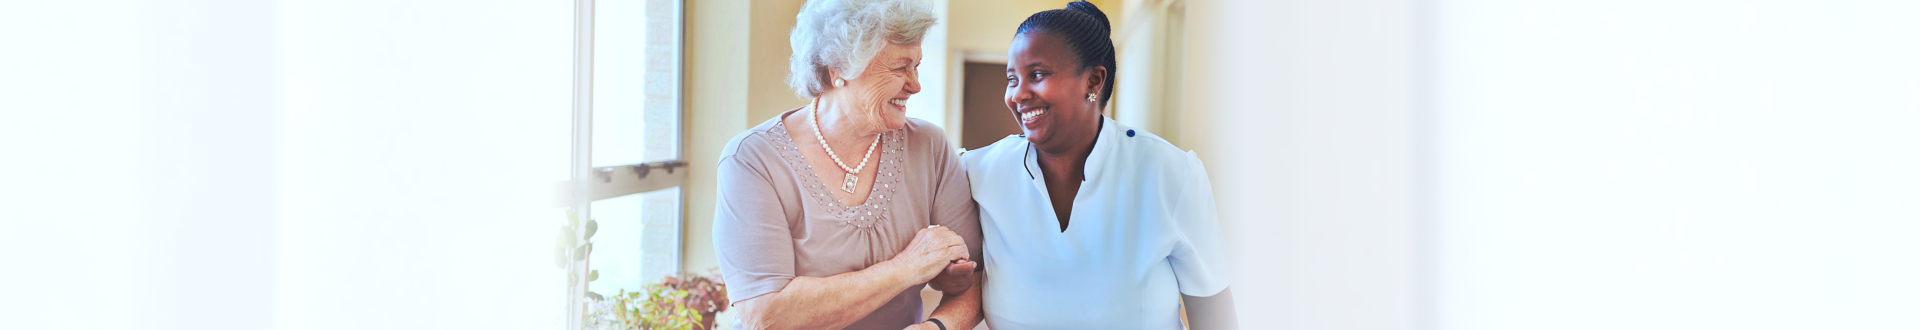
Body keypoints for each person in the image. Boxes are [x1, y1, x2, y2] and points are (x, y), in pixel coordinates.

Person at [961, 1, 1239, 329]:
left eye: (1036, 75)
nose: (1018, 95)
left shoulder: (1170, 174)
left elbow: (1215, 318)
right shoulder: (978, 174)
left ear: (1094, 81)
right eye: (1012, 79)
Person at [711, 0, 985, 329]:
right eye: (900, 68)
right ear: (838, 69)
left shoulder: (929, 146)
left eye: (917, 66)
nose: (915, 84)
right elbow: (768, 315)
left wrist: (937, 325)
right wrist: (906, 268)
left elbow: (979, 276)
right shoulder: (753, 159)